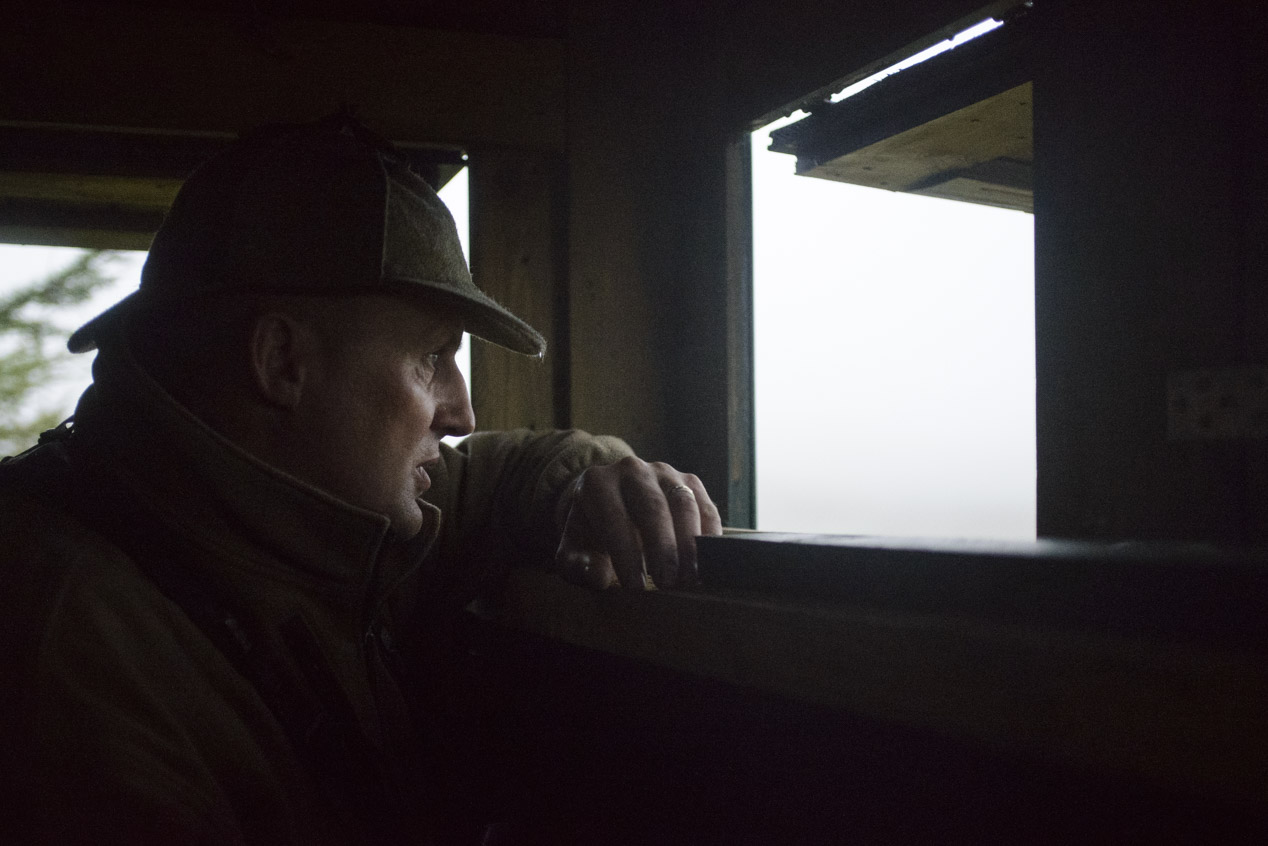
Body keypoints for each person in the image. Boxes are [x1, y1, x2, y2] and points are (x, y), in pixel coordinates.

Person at [0, 115, 720, 844]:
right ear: (282, 361)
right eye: (431, 357)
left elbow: (511, 469)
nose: (463, 411)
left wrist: (592, 489)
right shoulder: (63, 651)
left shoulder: (266, 516)